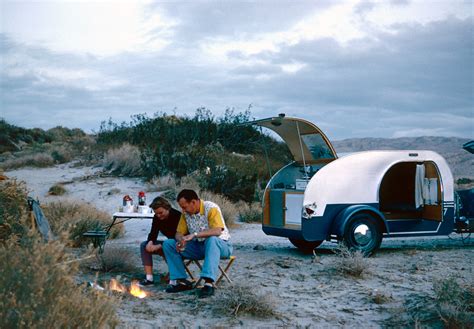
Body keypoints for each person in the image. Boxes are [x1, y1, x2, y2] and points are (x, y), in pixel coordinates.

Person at [162, 189, 232, 298]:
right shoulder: (185, 214)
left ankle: (209, 283)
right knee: (169, 244)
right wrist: (182, 241)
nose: (183, 210)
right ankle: (181, 281)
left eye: (184, 207)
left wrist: (194, 235)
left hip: (221, 245)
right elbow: (178, 233)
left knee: (212, 240)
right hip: (199, 247)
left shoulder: (211, 208)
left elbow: (218, 231)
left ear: (193, 202)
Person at [138, 196, 181, 287]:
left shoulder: (177, 216)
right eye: (156, 213)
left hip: (177, 244)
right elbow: (153, 233)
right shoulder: (157, 217)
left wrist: (159, 246)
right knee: (144, 245)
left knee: (167, 245)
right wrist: (150, 243)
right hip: (167, 243)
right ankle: (149, 279)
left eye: (161, 213)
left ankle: (175, 276)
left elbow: (180, 237)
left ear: (167, 208)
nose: (158, 215)